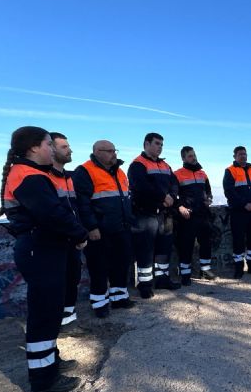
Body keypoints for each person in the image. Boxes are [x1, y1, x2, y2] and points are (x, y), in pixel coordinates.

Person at [0, 126, 88, 392]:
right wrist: (79, 234)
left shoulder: (29, 173)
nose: (52, 149)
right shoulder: (28, 176)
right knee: (43, 315)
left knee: (49, 312)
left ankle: (51, 362)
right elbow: (52, 214)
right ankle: (43, 379)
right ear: (34, 148)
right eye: (49, 144)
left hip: (44, 248)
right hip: (40, 249)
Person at [73, 140, 136, 317]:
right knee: (99, 267)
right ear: (97, 152)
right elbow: (82, 204)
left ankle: (119, 299)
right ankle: (100, 304)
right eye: (108, 151)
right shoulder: (85, 171)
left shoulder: (120, 171)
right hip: (100, 231)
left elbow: (125, 198)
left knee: (121, 264)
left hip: (121, 227)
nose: (113, 154)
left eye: (114, 150)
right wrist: (91, 227)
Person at [128, 133, 180, 299]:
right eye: (157, 143)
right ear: (146, 144)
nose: (160, 147)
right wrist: (162, 197)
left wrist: (171, 196)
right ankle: (145, 284)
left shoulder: (165, 165)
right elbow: (141, 186)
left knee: (164, 249)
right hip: (146, 214)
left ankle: (162, 279)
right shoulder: (137, 164)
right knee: (145, 250)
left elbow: (174, 183)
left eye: (161, 145)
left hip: (165, 215)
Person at [48, 132, 84, 332]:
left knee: (72, 280)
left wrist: (80, 233)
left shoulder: (69, 177)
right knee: (57, 284)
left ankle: (69, 322)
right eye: (64, 147)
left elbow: (75, 208)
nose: (70, 150)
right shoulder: (44, 177)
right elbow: (52, 213)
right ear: (51, 149)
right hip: (55, 241)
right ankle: (54, 325)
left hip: (73, 240)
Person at [174, 146, 216, 286]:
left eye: (194, 155)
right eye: (190, 156)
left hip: (204, 214)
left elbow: (208, 191)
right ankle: (185, 274)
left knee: (206, 243)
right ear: (183, 158)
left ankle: (205, 270)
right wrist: (180, 206)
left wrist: (209, 198)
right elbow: (174, 195)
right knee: (186, 245)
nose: (194, 158)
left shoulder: (202, 174)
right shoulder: (177, 174)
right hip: (188, 216)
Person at [223, 146, 251, 279]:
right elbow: (229, 191)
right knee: (238, 240)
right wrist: (244, 204)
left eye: (245, 154)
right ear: (235, 156)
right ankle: (239, 268)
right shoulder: (230, 170)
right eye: (240, 154)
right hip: (238, 212)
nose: (243, 156)